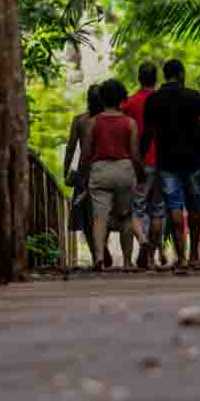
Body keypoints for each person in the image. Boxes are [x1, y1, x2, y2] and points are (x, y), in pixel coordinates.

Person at [142, 59, 200, 268]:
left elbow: (147, 133)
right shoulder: (194, 96)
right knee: (195, 205)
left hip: (166, 162)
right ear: (182, 74)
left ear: (165, 76)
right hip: (193, 161)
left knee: (174, 206)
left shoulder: (154, 100)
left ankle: (182, 258)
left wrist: (139, 160)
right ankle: (193, 255)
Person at [81, 79, 145, 270]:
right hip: (124, 170)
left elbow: (85, 154)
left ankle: (99, 257)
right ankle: (126, 262)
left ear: (102, 98)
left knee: (99, 217)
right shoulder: (130, 123)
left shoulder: (93, 122)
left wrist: (83, 176)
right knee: (125, 216)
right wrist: (140, 174)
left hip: (100, 171)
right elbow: (135, 154)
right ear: (122, 98)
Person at [121, 62, 166, 269]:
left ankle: (143, 243)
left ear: (139, 78)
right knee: (157, 211)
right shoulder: (164, 101)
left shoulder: (128, 104)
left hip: (140, 162)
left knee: (137, 210)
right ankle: (150, 257)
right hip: (163, 161)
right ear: (156, 78)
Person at [64, 85, 113, 268]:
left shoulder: (80, 121)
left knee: (86, 216)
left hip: (84, 174)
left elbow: (70, 148)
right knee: (102, 212)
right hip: (104, 169)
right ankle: (101, 248)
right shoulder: (109, 120)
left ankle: (96, 254)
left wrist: (66, 171)